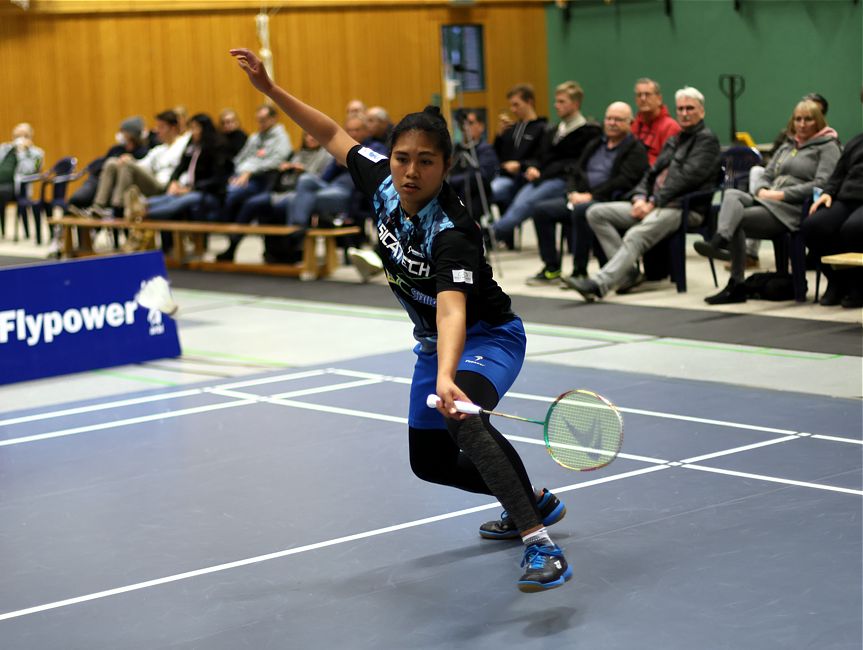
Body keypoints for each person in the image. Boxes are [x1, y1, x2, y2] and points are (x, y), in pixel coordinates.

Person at [230, 47, 572, 592]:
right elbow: (330, 133)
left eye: (426, 161)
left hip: (488, 336)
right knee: (431, 463)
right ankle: (532, 499)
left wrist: (446, 374)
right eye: (402, 158)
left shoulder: (454, 230)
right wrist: (270, 90)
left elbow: (455, 308)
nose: (411, 171)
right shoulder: (384, 183)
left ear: (446, 166)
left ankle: (538, 544)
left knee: (465, 418)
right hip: (433, 342)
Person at [567, 86, 721, 301]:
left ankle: (600, 284)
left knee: (635, 235)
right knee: (595, 213)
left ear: (701, 111)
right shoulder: (675, 139)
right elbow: (650, 173)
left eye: (690, 108)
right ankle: (628, 272)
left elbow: (686, 179)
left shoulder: (707, 140)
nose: (685, 113)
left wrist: (653, 202)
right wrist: (639, 197)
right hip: (654, 203)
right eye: (681, 109)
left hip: (682, 208)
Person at [695, 99, 841, 304]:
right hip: (766, 200)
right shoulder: (788, 145)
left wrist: (782, 195)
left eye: (808, 119)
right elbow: (767, 172)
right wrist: (762, 189)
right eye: (798, 119)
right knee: (731, 195)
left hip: (790, 209)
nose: (802, 124)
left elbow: (822, 184)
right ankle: (721, 240)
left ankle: (735, 282)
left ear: (818, 121)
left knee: (738, 218)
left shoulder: (828, 147)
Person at [527, 101, 648, 285]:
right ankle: (551, 268)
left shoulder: (635, 149)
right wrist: (572, 192)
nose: (612, 123)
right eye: (609, 118)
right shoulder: (595, 144)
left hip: (607, 199)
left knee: (581, 211)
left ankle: (579, 271)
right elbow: (576, 171)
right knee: (541, 210)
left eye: (618, 119)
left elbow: (624, 181)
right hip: (580, 196)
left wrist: (591, 196)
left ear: (630, 123)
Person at [492, 81, 602, 242]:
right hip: (543, 178)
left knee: (526, 204)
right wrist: (533, 168)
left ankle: (489, 234)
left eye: (562, 101)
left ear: (576, 104)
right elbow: (542, 157)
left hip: (565, 181)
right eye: (556, 101)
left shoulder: (588, 132)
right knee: (519, 202)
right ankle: (488, 233)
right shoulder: (554, 131)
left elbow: (577, 163)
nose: (556, 105)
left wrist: (540, 169)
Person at [803, 127, 863, 308]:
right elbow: (838, 174)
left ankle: (858, 286)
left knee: (853, 229)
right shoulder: (857, 141)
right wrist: (828, 193)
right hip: (847, 198)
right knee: (813, 225)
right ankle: (837, 281)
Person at [89, 110, 189, 217]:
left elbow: (188, 166)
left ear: (173, 128)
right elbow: (142, 165)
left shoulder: (184, 144)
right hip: (153, 183)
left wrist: (182, 186)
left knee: (128, 165)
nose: (157, 131)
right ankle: (99, 206)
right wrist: (128, 159)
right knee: (112, 163)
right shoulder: (159, 149)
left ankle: (117, 208)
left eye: (161, 127)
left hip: (167, 186)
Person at [221, 104, 292, 223]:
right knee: (222, 189)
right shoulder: (255, 137)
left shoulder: (281, 138)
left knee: (233, 193)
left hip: (263, 179)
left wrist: (249, 172)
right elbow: (240, 158)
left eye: (263, 120)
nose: (260, 123)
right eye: (258, 120)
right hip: (243, 176)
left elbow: (276, 161)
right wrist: (237, 174)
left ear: (273, 119)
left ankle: (229, 228)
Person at [491, 84, 547, 213]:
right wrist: (499, 136)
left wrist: (520, 165)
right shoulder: (512, 128)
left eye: (516, 105)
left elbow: (542, 158)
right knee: (478, 192)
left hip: (525, 178)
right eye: (511, 105)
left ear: (529, 102)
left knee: (490, 192)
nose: (513, 109)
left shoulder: (542, 128)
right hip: (504, 176)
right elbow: (497, 155)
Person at [630, 78, 681, 166]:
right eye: (639, 95)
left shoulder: (670, 127)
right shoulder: (633, 125)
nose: (643, 98)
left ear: (659, 99)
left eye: (647, 94)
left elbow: (668, 163)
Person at [0, 123, 44, 217]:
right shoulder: (4, 148)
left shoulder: (36, 153)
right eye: (17, 136)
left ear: (31, 137)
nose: (20, 139)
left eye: (25, 136)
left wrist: (22, 152)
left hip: (17, 188)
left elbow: (28, 171)